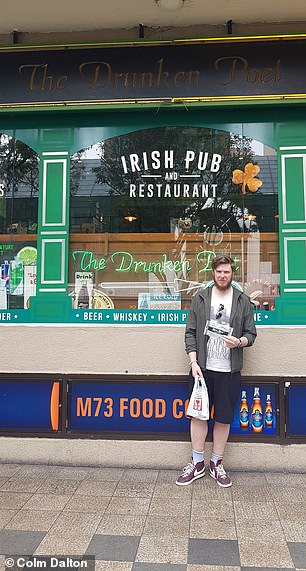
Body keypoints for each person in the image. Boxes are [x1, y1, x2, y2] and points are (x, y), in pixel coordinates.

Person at [176, 255, 257, 488]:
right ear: (213, 273)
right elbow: (190, 333)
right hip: (202, 368)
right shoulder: (201, 298)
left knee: (223, 417)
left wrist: (239, 341)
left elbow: (251, 334)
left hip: (229, 370)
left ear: (233, 274)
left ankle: (216, 464)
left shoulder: (242, 300)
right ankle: (198, 463)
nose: (223, 275)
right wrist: (193, 363)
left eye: (227, 272)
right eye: (219, 271)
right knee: (198, 415)